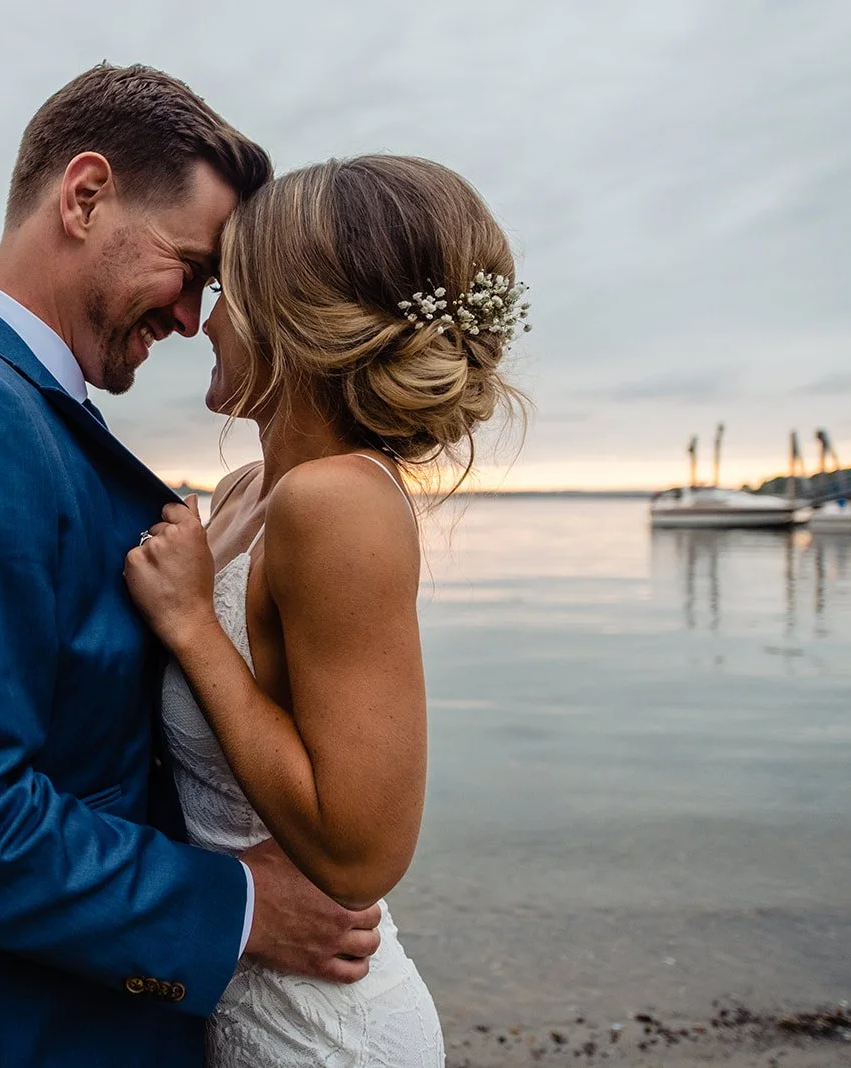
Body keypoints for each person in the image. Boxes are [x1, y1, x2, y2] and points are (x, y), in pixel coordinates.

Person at [0, 65, 385, 1068]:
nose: (194, 317)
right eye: (189, 267)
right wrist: (234, 910)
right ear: (85, 194)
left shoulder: (22, 416)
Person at [125, 155, 530, 1066]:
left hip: (320, 1031)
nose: (205, 320)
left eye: (226, 289)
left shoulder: (339, 502)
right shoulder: (246, 491)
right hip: (236, 995)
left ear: (289, 315)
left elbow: (361, 856)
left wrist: (191, 626)